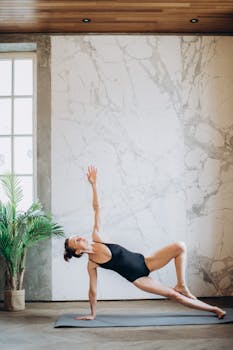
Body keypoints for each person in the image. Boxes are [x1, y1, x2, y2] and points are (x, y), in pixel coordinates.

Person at [64, 166, 226, 321]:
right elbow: (93, 290)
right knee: (173, 295)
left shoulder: (97, 236)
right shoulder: (92, 264)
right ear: (78, 252)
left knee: (180, 246)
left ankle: (181, 284)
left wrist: (94, 185)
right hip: (138, 278)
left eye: (78, 236)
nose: (80, 237)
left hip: (146, 262)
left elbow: (97, 208)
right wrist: (92, 314)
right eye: (76, 241)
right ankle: (214, 309)